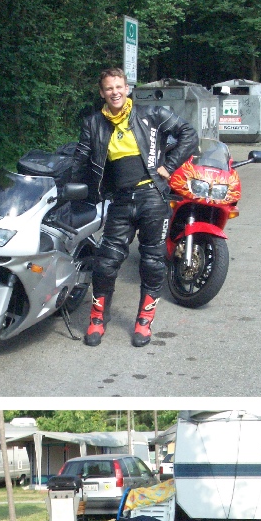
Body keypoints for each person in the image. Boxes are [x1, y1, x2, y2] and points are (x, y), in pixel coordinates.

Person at [73, 67, 199, 347]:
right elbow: (80, 159)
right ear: (101, 92)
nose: (114, 92)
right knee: (105, 263)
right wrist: (62, 187)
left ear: (127, 88)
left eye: (119, 87)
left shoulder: (151, 114)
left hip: (152, 197)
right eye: (108, 88)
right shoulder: (93, 123)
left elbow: (189, 133)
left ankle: (144, 321)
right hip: (119, 200)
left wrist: (168, 165)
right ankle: (96, 319)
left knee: (153, 263)